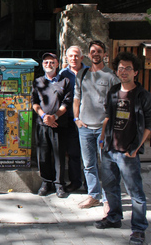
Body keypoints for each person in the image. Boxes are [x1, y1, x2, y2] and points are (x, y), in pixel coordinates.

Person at [95, 52, 151, 245]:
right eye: (120, 68)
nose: (123, 71)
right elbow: (107, 116)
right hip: (109, 149)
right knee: (110, 186)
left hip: (128, 151)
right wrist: (103, 139)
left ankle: (138, 229)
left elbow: (149, 124)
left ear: (135, 72)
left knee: (135, 191)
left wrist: (137, 147)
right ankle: (114, 217)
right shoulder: (113, 91)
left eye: (128, 68)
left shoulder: (143, 96)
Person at [73, 40, 119, 209]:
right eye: (93, 51)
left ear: (104, 54)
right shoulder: (82, 74)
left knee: (107, 166)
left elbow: (117, 103)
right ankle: (93, 196)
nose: (96, 54)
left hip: (103, 129)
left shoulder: (111, 77)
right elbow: (77, 98)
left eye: (99, 51)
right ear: (89, 54)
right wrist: (76, 119)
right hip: (84, 128)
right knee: (88, 164)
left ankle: (107, 200)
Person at [32, 53, 72, 198]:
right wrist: (44, 116)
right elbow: (34, 102)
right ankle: (46, 182)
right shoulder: (38, 82)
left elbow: (66, 103)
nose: (48, 64)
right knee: (43, 155)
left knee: (59, 155)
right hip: (42, 124)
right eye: (46, 62)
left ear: (57, 64)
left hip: (58, 125)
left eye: (52, 62)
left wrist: (54, 117)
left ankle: (59, 185)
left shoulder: (65, 81)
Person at [59, 46, 87, 193]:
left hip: (88, 119)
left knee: (89, 154)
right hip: (69, 119)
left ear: (81, 57)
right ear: (67, 57)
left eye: (76, 56)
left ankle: (90, 185)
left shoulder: (89, 72)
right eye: (71, 56)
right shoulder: (63, 74)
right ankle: (75, 182)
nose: (74, 58)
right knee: (73, 152)